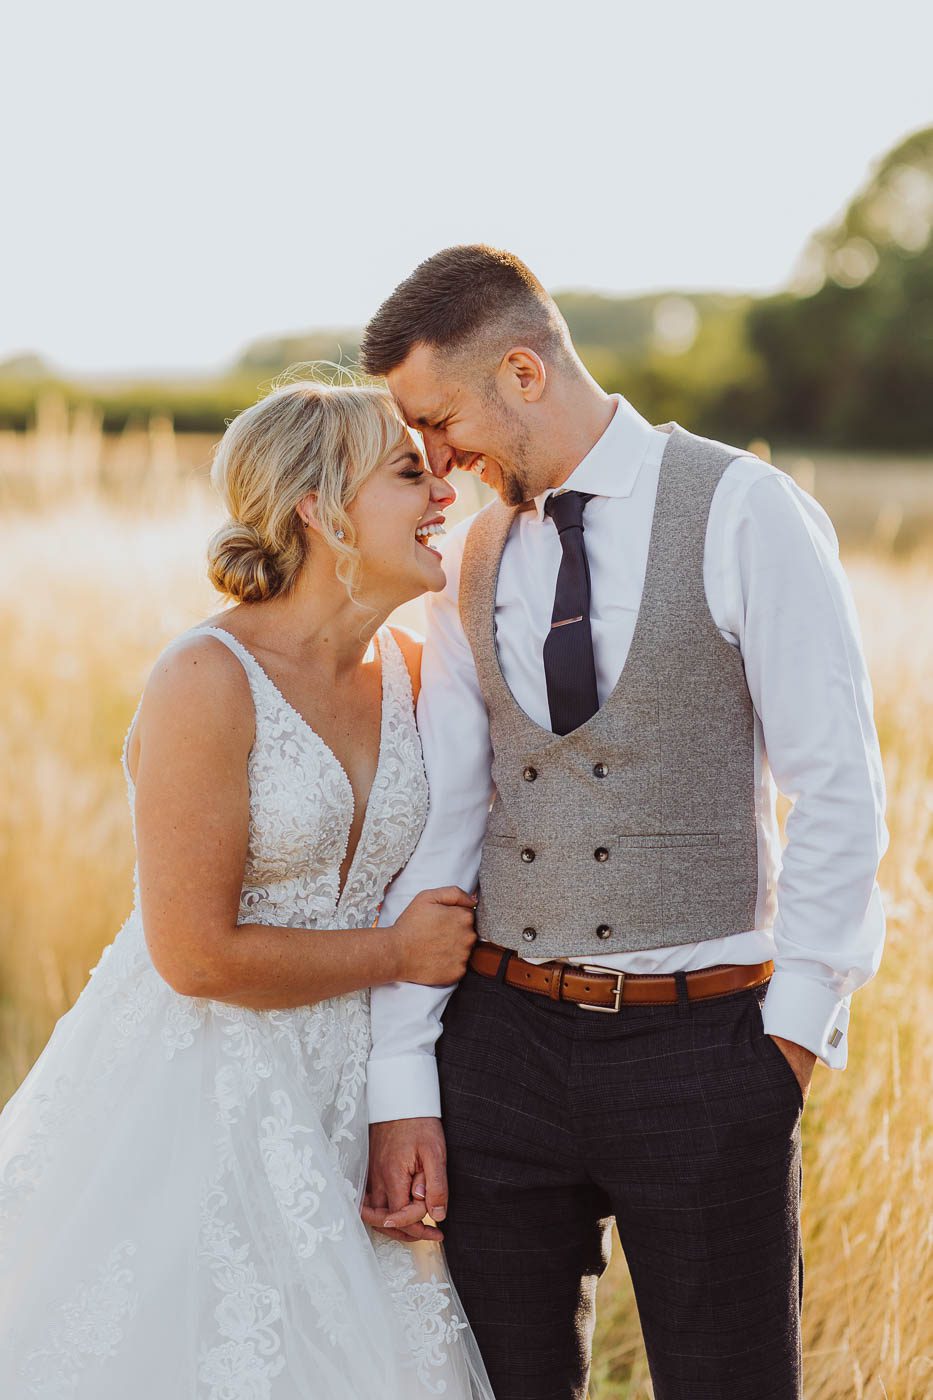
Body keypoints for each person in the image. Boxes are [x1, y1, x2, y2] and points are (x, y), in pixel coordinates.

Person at [359, 245, 889, 1400]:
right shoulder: (464, 552)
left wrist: (787, 1046)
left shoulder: (745, 512)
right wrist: (407, 1068)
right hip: (498, 1047)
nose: (436, 463)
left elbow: (839, 786)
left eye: (441, 420)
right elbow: (453, 807)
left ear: (523, 370)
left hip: (702, 1049)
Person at [0, 380, 495, 1400]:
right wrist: (395, 953)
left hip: (348, 1097)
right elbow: (194, 953)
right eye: (410, 470)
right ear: (321, 507)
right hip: (195, 1095)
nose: (444, 487)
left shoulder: (414, 668)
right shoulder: (206, 678)